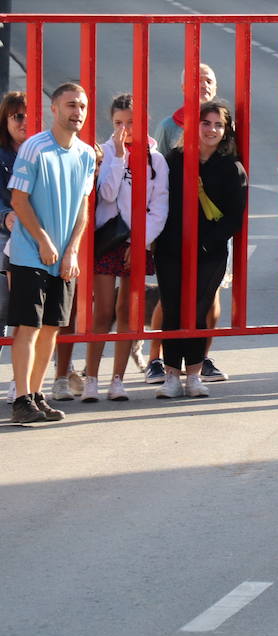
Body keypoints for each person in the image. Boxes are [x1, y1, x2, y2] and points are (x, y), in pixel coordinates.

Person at [7, 83, 98, 424]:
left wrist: (71, 250)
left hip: (63, 259)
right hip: (31, 252)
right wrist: (44, 241)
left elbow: (83, 208)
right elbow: (18, 199)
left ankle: (36, 394)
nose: (78, 112)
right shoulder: (34, 148)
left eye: (83, 106)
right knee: (28, 327)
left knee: (51, 328)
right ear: (54, 109)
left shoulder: (87, 154)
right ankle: (20, 399)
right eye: (71, 105)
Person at [154, 101, 247, 399]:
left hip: (211, 252)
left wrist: (209, 241)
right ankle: (171, 374)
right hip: (170, 247)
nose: (211, 130)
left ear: (226, 131)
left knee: (198, 309)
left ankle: (193, 374)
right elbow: (157, 201)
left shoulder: (232, 168)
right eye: (206, 123)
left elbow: (234, 216)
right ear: (194, 126)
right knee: (172, 307)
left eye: (218, 125)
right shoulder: (173, 160)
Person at [81, 95, 170, 401]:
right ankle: (90, 377)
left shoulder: (155, 160)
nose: (125, 128)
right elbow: (105, 194)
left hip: (137, 243)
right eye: (119, 122)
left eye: (131, 122)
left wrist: (140, 241)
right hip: (108, 240)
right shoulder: (105, 152)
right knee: (103, 311)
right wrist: (118, 158)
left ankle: (117, 380)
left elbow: (159, 207)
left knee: (127, 312)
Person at [148, 63, 227, 385]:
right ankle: (155, 357)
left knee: (210, 297)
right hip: (176, 223)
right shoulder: (170, 125)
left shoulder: (221, 122)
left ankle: (202, 357)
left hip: (212, 225)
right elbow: (158, 172)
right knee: (171, 296)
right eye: (196, 80)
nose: (203, 84)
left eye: (208, 79)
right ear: (184, 88)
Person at [0, 92, 30, 403]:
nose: (24, 122)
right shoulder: (2, 155)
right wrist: (5, 215)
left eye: (28, 115)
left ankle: (18, 381)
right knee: (3, 308)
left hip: (35, 237)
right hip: (6, 234)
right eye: (17, 116)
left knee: (27, 315)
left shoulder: (42, 151)